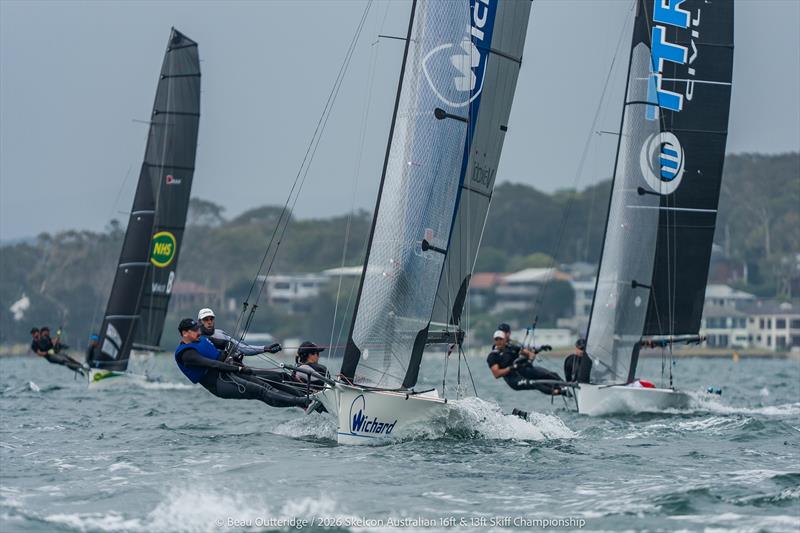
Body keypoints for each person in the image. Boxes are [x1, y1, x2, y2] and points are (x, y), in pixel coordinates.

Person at [174, 318, 310, 409]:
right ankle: (301, 402)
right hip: (218, 382)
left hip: (229, 371)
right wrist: (238, 368)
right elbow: (213, 364)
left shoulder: (202, 339)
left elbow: (227, 344)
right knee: (261, 391)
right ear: (185, 333)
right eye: (195, 330)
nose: (199, 331)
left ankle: (305, 398)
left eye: (198, 328)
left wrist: (233, 355)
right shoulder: (186, 354)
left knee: (269, 382)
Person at [487, 330, 565, 395]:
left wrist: (535, 353)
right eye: (496, 339)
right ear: (494, 341)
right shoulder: (493, 356)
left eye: (500, 339)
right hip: (514, 381)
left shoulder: (512, 348)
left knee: (552, 375)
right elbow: (496, 374)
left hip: (523, 375)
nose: (499, 341)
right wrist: (511, 368)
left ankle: (565, 387)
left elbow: (529, 353)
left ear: (505, 340)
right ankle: (558, 392)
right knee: (536, 384)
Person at [197, 308, 281, 358]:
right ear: (200, 322)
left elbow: (241, 348)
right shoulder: (195, 338)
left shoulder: (220, 334)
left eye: (211, 319)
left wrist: (266, 348)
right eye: (206, 319)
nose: (209, 322)